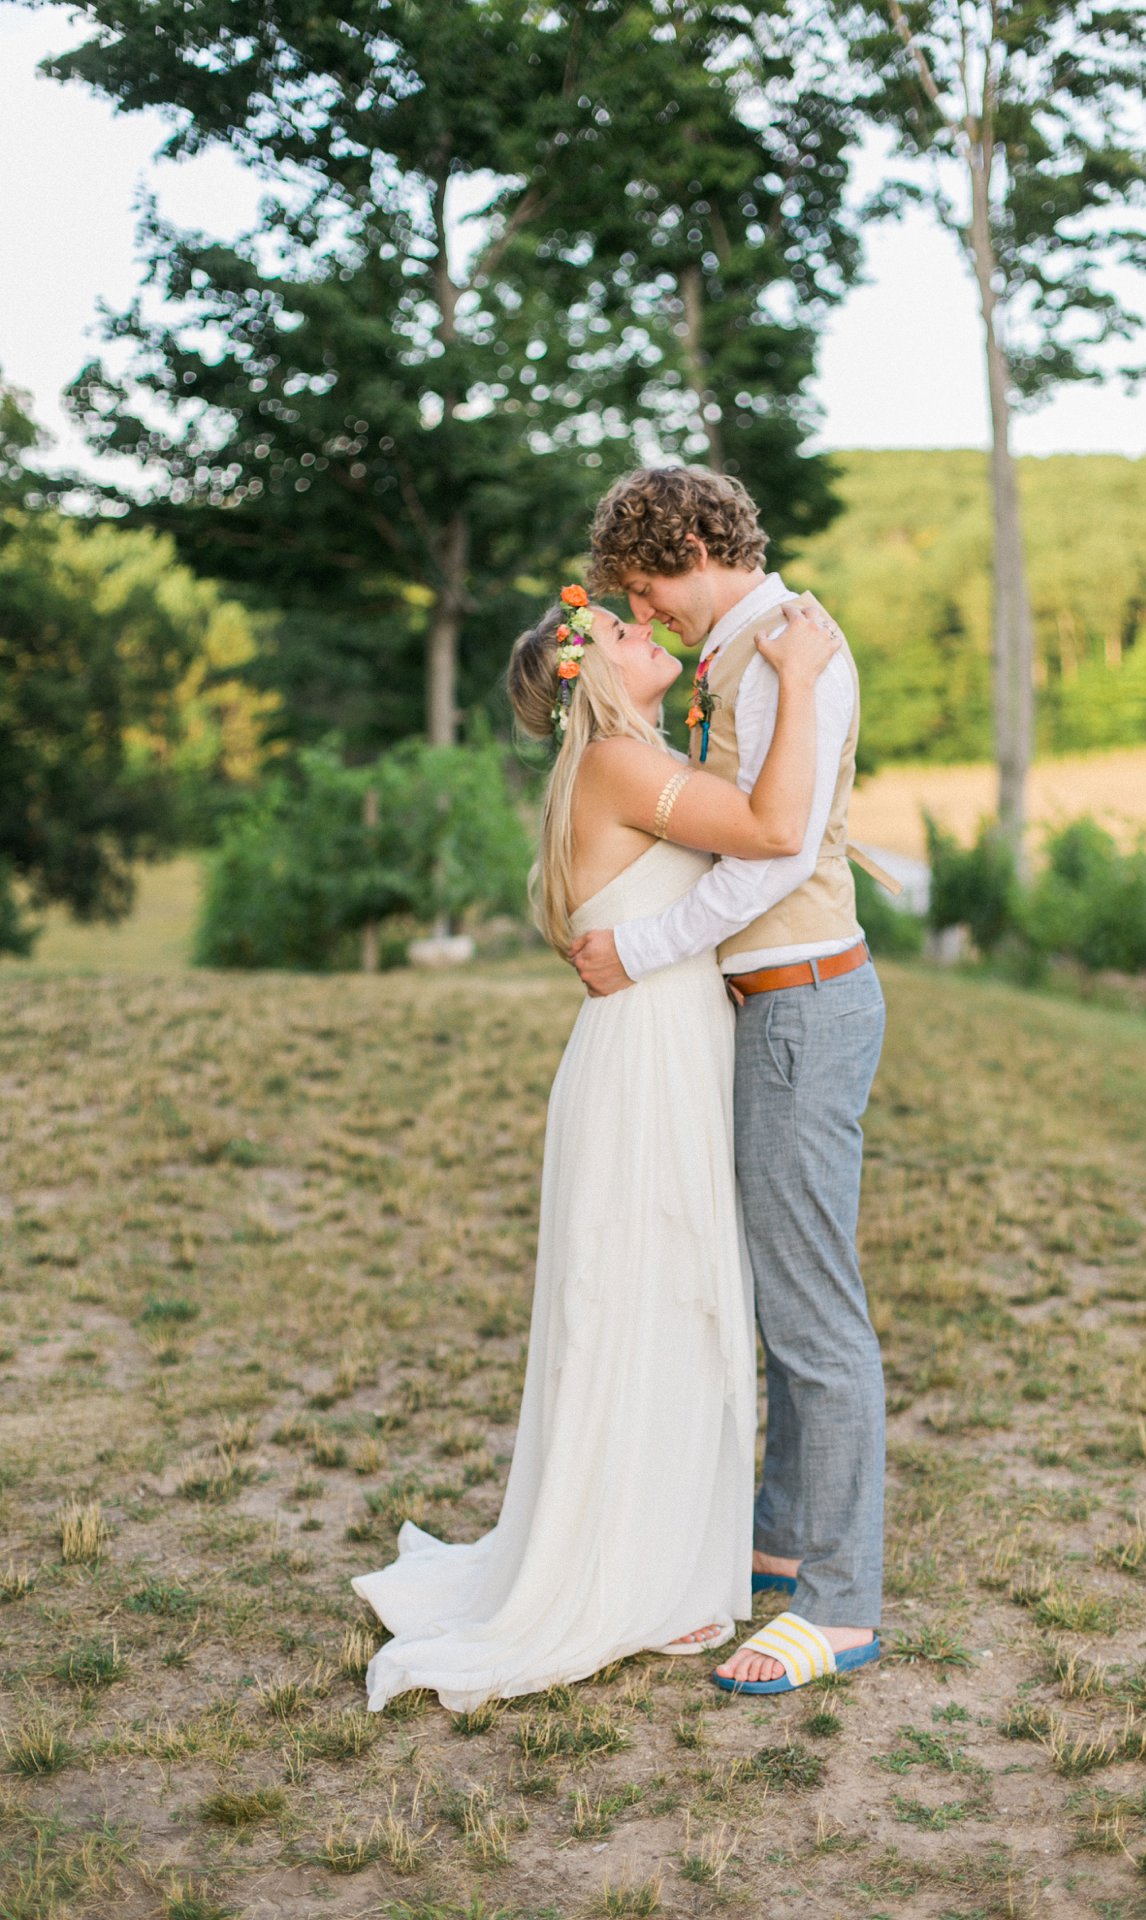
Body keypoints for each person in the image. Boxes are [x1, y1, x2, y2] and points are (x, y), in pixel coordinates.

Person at [350, 577, 837, 1713]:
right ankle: (637, 1579)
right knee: (653, 1301)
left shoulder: (632, 765)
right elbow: (775, 830)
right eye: (620, 629)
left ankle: (659, 1560)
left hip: (657, 1050)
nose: (642, 627)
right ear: (594, 680)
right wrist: (802, 681)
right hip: (648, 1064)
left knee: (660, 1300)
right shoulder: (618, 765)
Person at [571, 466, 886, 1697]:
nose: (638, 610)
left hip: (803, 1001)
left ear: (694, 547)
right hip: (773, 1005)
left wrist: (642, 947)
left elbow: (776, 849)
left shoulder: (789, 648)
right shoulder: (745, 651)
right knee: (783, 1290)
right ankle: (783, 1539)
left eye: (643, 585)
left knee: (812, 1311)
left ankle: (838, 1606)